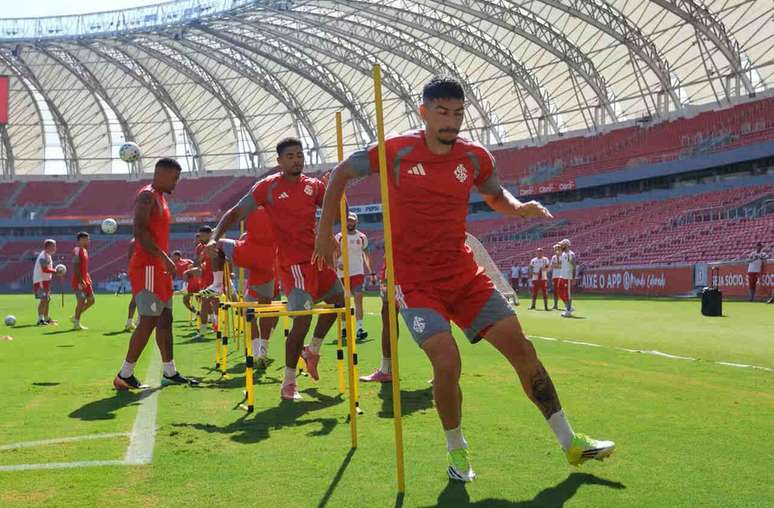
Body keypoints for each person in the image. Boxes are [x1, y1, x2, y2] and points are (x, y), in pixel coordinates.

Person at [314, 76, 614, 481]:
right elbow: (339, 176)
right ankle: (457, 453)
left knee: (523, 351)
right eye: (442, 112)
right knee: (447, 360)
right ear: (423, 112)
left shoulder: (474, 157)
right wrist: (323, 234)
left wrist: (518, 207)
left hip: (463, 275)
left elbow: (494, 195)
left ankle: (571, 443)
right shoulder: (396, 150)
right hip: (415, 281)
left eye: (457, 113)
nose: (451, 121)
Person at [204, 138, 344, 401]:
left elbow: (336, 214)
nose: (297, 160)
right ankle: (289, 382)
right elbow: (235, 213)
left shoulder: (313, 186)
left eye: (300, 155)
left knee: (339, 301)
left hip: (317, 259)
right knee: (301, 319)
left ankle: (312, 350)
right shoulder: (268, 187)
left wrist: (335, 189)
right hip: (293, 264)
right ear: (280, 161)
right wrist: (215, 237)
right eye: (290, 156)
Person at [113, 158, 197, 390]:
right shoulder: (147, 196)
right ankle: (124, 374)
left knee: (165, 319)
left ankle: (170, 372)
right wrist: (163, 257)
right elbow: (139, 231)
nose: (176, 182)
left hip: (158, 268)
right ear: (160, 174)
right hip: (148, 267)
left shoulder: (160, 198)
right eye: (174, 177)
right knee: (149, 319)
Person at [202, 206, 278, 363]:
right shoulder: (275, 208)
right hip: (265, 268)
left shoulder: (255, 205)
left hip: (257, 260)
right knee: (261, 313)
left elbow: (233, 216)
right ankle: (261, 351)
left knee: (218, 244)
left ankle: (217, 283)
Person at [336, 212, 373, 342]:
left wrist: (371, 271)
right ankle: (345, 329)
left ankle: (359, 329)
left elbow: (366, 254)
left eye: (352, 221)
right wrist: (337, 263)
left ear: (356, 222)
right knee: (344, 301)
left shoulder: (362, 237)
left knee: (358, 297)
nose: (349, 223)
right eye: (347, 221)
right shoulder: (339, 237)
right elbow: (333, 253)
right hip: (342, 273)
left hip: (357, 271)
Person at [360, 266, 399, 383]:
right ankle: (440, 369)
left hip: (395, 267)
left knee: (388, 313)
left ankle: (386, 370)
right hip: (402, 266)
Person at [32, 239, 63, 326]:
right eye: (53, 246)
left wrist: (55, 272)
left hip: (45, 281)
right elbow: (44, 269)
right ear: (48, 247)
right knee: (44, 299)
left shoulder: (47, 255)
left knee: (47, 299)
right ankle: (40, 320)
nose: (55, 248)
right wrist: (56, 271)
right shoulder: (43, 256)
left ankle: (46, 318)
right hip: (40, 280)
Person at [71, 232, 95, 330]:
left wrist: (87, 277)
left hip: (86, 279)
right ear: (81, 240)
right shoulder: (77, 250)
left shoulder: (85, 250)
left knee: (92, 300)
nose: (89, 241)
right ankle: (76, 323)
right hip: (79, 281)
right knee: (81, 301)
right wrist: (81, 280)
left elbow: (83, 267)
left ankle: (75, 316)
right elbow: (75, 267)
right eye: (87, 239)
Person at [556, 239, 576, 317]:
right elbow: (560, 264)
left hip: (568, 277)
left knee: (567, 294)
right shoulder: (563, 254)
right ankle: (568, 307)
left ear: (566, 245)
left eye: (562, 245)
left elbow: (574, 266)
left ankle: (568, 311)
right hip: (562, 276)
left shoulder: (571, 254)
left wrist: (574, 277)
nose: (561, 246)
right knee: (559, 291)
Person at [549, 244, 561, 311]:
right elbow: (552, 266)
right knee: (555, 291)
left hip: (562, 275)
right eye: (555, 249)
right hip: (555, 276)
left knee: (563, 291)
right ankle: (555, 304)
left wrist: (556, 265)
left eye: (556, 249)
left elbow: (562, 266)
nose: (556, 250)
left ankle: (567, 305)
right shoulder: (553, 257)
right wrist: (558, 265)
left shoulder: (563, 256)